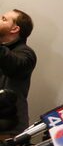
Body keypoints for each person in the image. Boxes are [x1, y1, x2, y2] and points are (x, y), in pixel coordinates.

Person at [0, 9, 36, 137]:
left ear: (14, 29)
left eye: (3, 19)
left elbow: (13, 64)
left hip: (8, 132)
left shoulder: (26, 54)